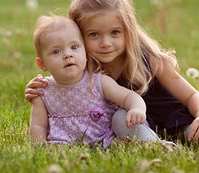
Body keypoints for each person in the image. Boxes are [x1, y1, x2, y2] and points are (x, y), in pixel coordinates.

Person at [26, 0, 199, 155]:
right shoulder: (85, 68)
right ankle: (159, 150)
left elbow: (191, 96)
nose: (106, 43)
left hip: (176, 117)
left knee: (197, 133)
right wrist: (36, 88)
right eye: (94, 35)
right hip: (138, 127)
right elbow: (61, 84)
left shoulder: (150, 60)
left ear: (128, 29)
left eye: (115, 33)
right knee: (120, 117)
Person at [29, 15, 148, 147]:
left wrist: (137, 108)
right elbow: (38, 125)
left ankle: (154, 144)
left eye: (74, 47)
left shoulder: (98, 81)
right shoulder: (43, 90)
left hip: (105, 139)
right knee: (56, 149)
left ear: (86, 53)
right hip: (63, 143)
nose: (68, 54)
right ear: (42, 64)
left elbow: (128, 96)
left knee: (124, 144)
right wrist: (39, 146)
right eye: (56, 51)